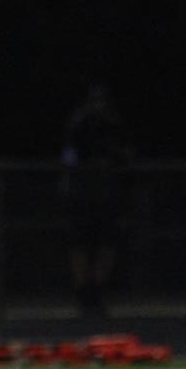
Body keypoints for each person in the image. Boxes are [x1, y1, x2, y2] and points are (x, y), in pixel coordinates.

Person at [60, 81, 132, 313]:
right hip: (83, 194)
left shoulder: (113, 124)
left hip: (105, 194)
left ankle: (96, 292)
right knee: (80, 246)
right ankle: (84, 294)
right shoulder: (78, 124)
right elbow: (68, 157)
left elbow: (124, 155)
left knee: (106, 245)